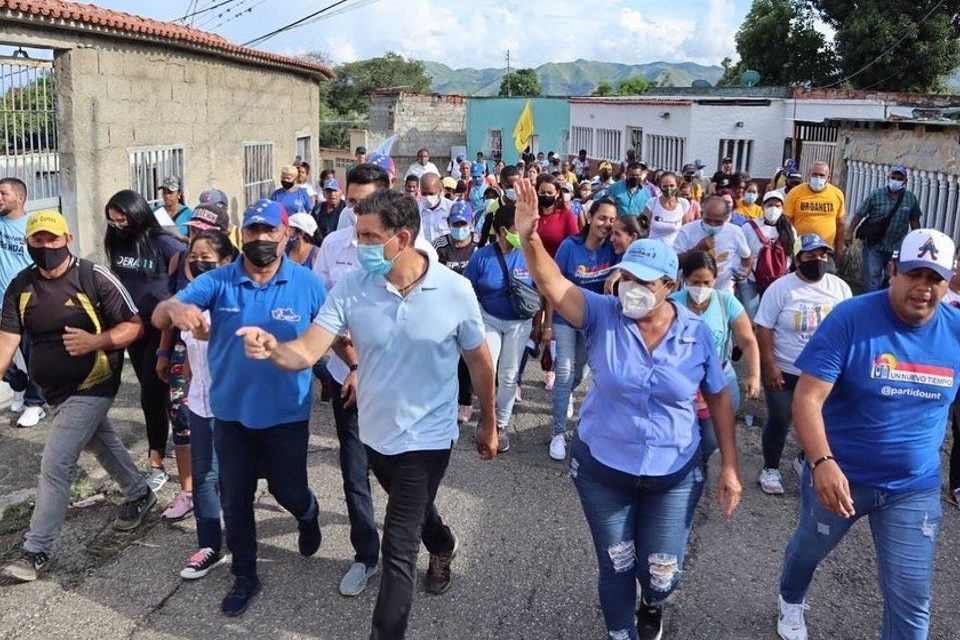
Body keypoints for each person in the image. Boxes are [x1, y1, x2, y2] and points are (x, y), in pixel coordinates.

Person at [237, 189, 498, 639]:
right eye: (358, 235)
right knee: (416, 514)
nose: (359, 246)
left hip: (430, 436)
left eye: (369, 236)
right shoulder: (354, 286)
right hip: (376, 432)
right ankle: (442, 542)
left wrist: (489, 423)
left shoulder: (455, 290)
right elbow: (309, 348)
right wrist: (274, 349)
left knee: (397, 543)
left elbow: (478, 360)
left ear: (402, 238)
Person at [513, 177, 741, 640]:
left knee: (662, 574)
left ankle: (652, 606)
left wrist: (730, 467)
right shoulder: (602, 315)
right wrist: (529, 236)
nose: (631, 287)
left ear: (669, 285)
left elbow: (717, 396)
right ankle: (621, 631)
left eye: (644, 282)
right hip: (603, 468)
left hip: (673, 471)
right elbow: (553, 285)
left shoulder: (695, 332)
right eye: (627, 277)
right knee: (616, 563)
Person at [776, 228, 959, 640]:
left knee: (911, 598)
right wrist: (821, 462)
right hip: (840, 477)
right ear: (892, 271)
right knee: (808, 550)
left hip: (913, 487)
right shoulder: (851, 318)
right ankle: (790, 597)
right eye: (914, 275)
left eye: (935, 279)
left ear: (950, 281)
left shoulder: (956, 331)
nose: (923, 288)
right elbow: (806, 398)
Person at [153, 199, 327, 617]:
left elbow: (332, 334)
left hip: (287, 413)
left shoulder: (307, 283)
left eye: (270, 231)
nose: (262, 239)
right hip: (229, 414)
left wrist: (354, 368)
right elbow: (161, 313)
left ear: (287, 234)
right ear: (240, 236)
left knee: (289, 490)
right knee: (236, 499)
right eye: (253, 231)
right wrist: (177, 308)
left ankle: (308, 513)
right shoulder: (221, 280)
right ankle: (245, 574)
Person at [0, 211, 155, 583]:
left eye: (52, 239)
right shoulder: (21, 286)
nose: (46, 246)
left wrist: (97, 341)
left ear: (67, 238)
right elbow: (7, 341)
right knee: (100, 442)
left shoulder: (92, 277)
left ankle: (36, 550)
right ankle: (139, 494)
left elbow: (134, 325)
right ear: (28, 243)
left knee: (55, 464)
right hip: (56, 392)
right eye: (38, 240)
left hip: (94, 384)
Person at [312, 163, 439, 597]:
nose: (354, 214)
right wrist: (349, 364)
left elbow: (417, 327)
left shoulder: (418, 253)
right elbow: (324, 313)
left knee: (402, 481)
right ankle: (367, 556)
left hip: (399, 388)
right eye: (350, 204)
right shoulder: (331, 245)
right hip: (346, 380)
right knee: (354, 473)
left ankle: (433, 539)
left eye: (364, 206)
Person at [754, 234, 851, 497]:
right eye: (810, 256)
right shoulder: (781, 288)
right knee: (781, 418)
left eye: (823, 256)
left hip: (822, 373)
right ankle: (770, 468)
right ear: (798, 260)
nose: (818, 261)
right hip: (785, 369)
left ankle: (804, 459)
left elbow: (848, 328)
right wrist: (769, 364)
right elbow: (763, 328)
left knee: (823, 420)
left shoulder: (840, 288)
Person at [105, 189, 185, 492]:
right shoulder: (116, 241)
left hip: (160, 328)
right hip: (132, 328)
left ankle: (156, 463)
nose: (117, 224)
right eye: (112, 221)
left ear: (137, 214)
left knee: (150, 395)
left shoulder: (164, 243)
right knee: (155, 395)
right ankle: (175, 446)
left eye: (122, 218)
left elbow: (184, 277)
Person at [174, 229, 238, 580]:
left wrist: (213, 333)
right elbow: (189, 353)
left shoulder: (235, 300)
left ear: (226, 262)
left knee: (234, 477)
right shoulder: (187, 301)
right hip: (199, 405)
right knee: (204, 476)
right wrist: (186, 387)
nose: (198, 265)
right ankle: (210, 544)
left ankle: (243, 535)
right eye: (193, 259)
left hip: (232, 406)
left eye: (207, 260)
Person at [671, 252, 760, 462]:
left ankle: (698, 466)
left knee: (712, 439)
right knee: (680, 436)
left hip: (718, 378)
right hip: (681, 379)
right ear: (685, 279)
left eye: (707, 282)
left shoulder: (726, 303)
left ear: (715, 279)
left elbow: (747, 341)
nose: (701, 288)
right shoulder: (673, 304)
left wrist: (754, 375)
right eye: (695, 282)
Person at [547, 198, 617, 461]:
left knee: (580, 374)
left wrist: (615, 275)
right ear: (589, 216)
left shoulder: (613, 250)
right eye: (602, 218)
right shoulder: (569, 246)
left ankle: (565, 398)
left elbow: (631, 262)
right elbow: (553, 285)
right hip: (566, 317)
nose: (606, 224)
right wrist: (547, 324)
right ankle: (558, 432)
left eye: (611, 220)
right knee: (564, 373)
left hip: (594, 322)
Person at [463, 204, 536, 453]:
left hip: (520, 323)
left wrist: (542, 327)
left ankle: (501, 425)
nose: (523, 232)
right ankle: (486, 416)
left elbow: (544, 290)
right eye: (518, 227)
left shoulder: (531, 253)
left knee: (508, 376)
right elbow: (466, 289)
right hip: (489, 319)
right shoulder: (481, 256)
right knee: (487, 368)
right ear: (504, 230)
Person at [0, 177, 46, 427]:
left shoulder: (33, 226)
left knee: (33, 356)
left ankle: (35, 404)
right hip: (1, 302)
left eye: (3, 193)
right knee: (4, 360)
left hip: (27, 301)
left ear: (19, 198)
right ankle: (18, 382)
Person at [433, 201, 478, 423]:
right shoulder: (439, 246)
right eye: (455, 223)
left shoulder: (480, 244)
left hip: (473, 307)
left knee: (468, 357)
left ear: (471, 223)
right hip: (444, 307)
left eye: (463, 223)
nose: (459, 228)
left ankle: (466, 401)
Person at [847, 165, 922, 292]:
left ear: (905, 181)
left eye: (899, 178)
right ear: (888, 177)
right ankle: (872, 307)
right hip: (874, 245)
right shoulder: (876, 194)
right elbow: (860, 214)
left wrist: (917, 242)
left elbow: (914, 220)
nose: (896, 180)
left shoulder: (910, 198)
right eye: (894, 177)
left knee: (892, 280)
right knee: (872, 279)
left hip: (896, 247)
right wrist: (849, 232)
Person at [674, 196, 752, 295]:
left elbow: (747, 258)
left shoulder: (735, 232)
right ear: (701, 214)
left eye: (718, 222)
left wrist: (744, 272)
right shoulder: (686, 231)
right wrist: (697, 249)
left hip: (723, 293)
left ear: (726, 217)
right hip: (692, 293)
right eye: (708, 220)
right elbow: (674, 263)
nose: (712, 225)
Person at [739, 192, 796, 319]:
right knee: (751, 316)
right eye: (770, 205)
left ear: (782, 208)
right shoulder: (749, 227)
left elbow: (792, 256)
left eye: (777, 206)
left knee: (771, 318)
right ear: (763, 206)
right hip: (751, 278)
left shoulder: (789, 230)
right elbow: (740, 252)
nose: (773, 209)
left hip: (778, 281)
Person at [783, 162, 846, 268]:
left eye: (822, 175)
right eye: (815, 174)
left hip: (825, 251)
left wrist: (839, 252)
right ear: (809, 175)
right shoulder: (795, 193)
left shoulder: (837, 194)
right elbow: (785, 221)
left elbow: (840, 224)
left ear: (828, 177)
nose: (818, 178)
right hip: (801, 250)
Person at [643, 171, 690, 247]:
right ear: (660, 186)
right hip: (653, 248)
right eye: (665, 186)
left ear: (677, 186)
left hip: (674, 250)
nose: (668, 189)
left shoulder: (683, 204)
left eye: (672, 186)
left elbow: (686, 230)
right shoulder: (652, 203)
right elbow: (644, 228)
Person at [418, 173, 453, 243]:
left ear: (440, 190)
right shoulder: (416, 211)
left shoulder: (451, 208)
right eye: (424, 194)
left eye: (431, 193)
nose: (427, 197)